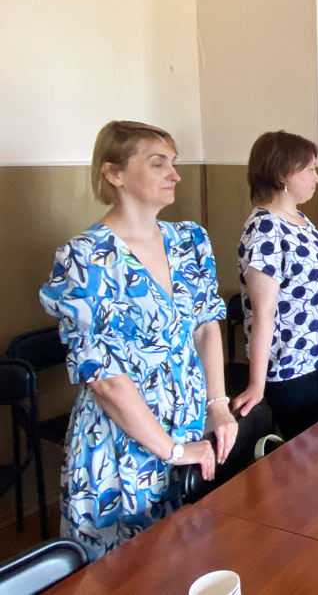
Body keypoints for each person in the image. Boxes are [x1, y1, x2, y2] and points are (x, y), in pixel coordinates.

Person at [39, 121, 237, 560]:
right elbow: (105, 380)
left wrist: (218, 405)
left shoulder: (189, 240)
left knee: (188, 555)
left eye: (174, 163)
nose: (175, 174)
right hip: (121, 443)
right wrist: (172, 450)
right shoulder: (86, 257)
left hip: (188, 424)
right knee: (126, 568)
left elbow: (206, 327)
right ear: (115, 173)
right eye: (158, 163)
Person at [230, 131, 318, 439]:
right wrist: (256, 384)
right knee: (307, 448)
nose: (317, 177)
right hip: (290, 363)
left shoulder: (299, 218)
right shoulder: (265, 228)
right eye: (309, 169)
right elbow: (263, 313)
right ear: (282, 173)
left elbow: (311, 289)